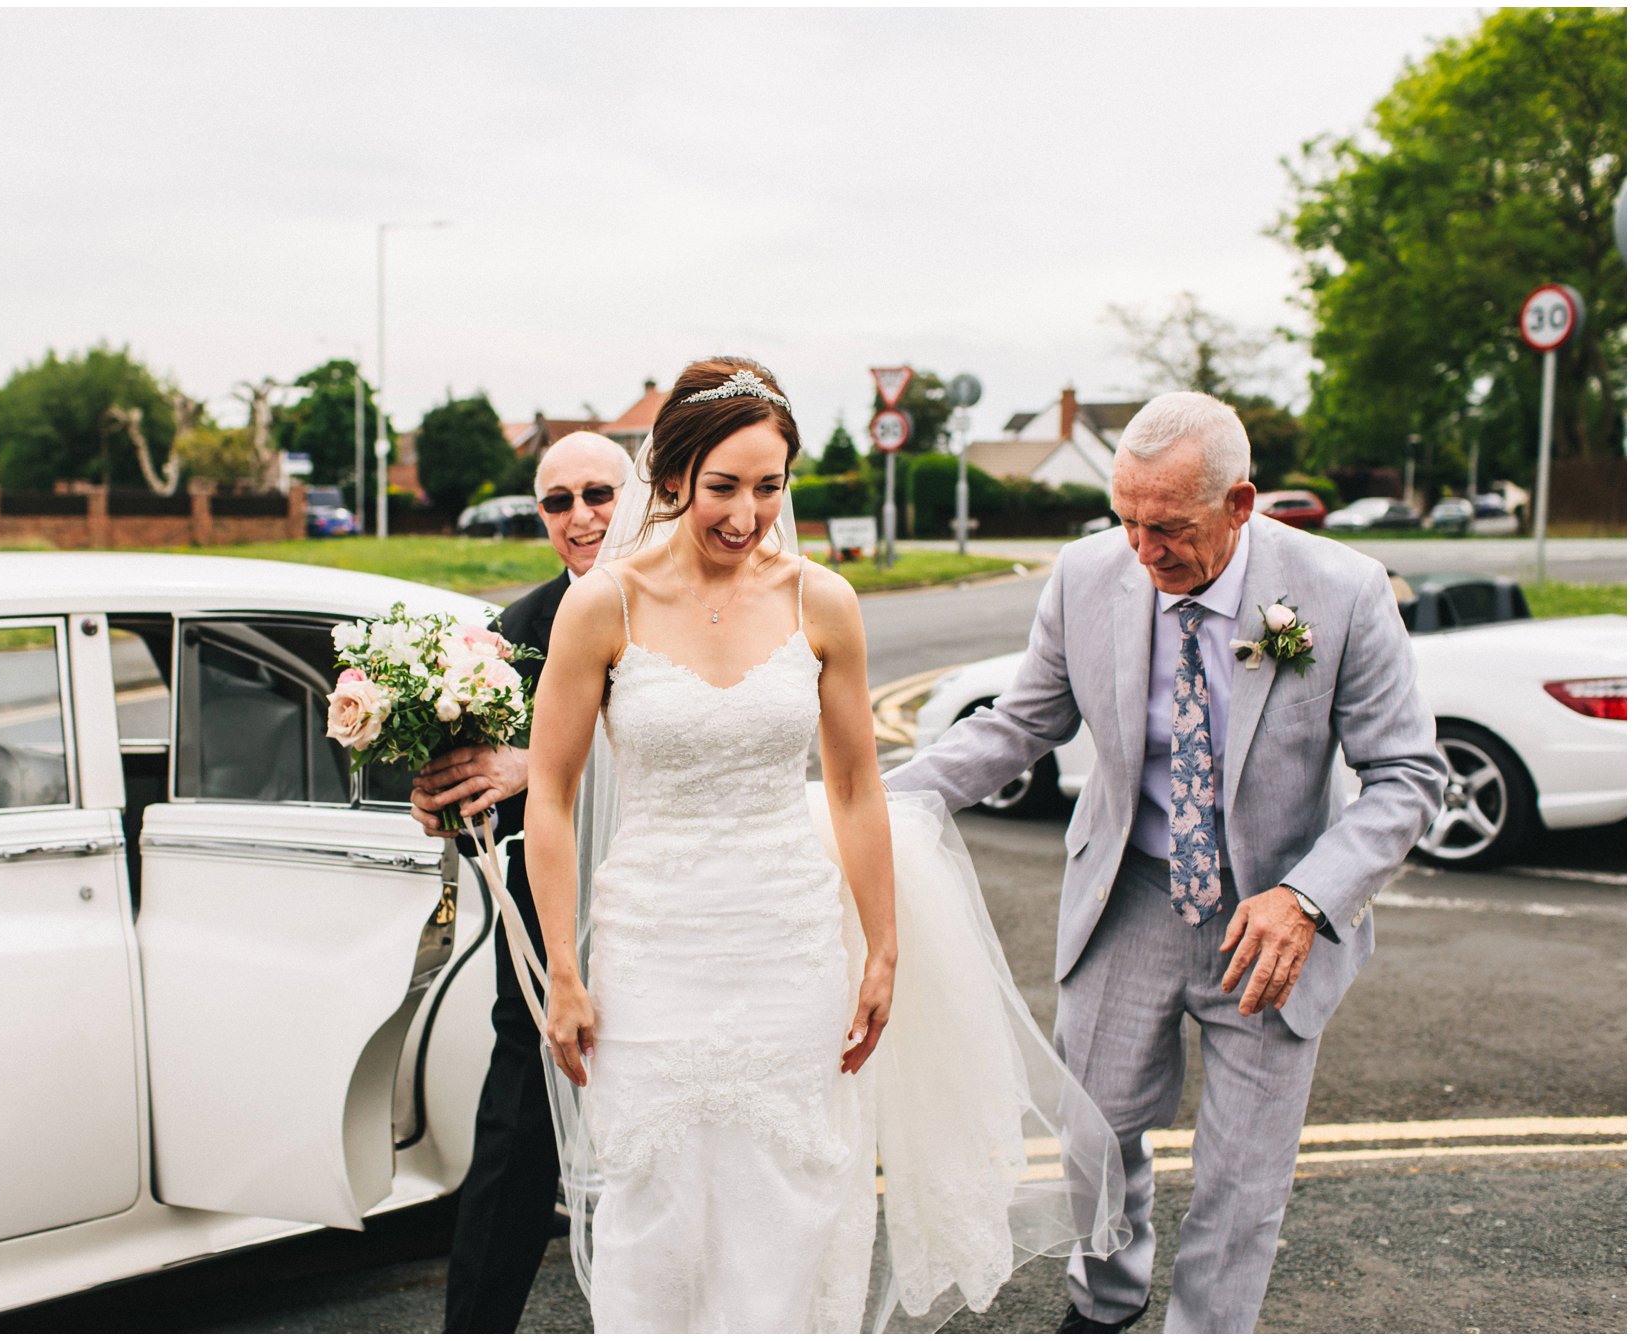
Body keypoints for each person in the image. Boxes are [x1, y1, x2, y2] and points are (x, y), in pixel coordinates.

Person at [523, 357, 1127, 1333]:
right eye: (724, 487)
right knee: (657, 1202)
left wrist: (882, 946)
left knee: (790, 1195)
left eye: (769, 487)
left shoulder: (822, 603)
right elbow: (547, 796)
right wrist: (561, 966)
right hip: (654, 943)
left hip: (788, 941)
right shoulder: (605, 605)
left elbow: (852, 787)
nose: (747, 512)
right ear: (673, 478)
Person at [886, 391, 1447, 1333]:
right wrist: (874, 802)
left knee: (1242, 1172)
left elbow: (1407, 776)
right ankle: (1104, 1301)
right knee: (1094, 1136)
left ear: (1241, 504)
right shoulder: (1084, 575)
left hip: (1273, 919)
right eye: (1127, 520)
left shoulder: (1343, 591)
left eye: (1170, 528)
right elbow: (1023, 724)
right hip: (1130, 896)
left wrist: (1306, 899)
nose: (1144, 551)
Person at [414, 430, 632, 1335]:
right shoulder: (512, 635)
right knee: (514, 1132)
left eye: (598, 494)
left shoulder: (691, 606)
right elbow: (488, 799)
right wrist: (450, 805)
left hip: (672, 899)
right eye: (558, 501)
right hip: (548, 930)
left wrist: (532, 766)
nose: (580, 517)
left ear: (639, 493)